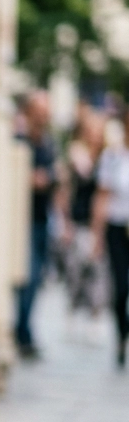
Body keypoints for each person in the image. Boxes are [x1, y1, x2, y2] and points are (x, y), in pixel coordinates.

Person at [14, 90, 57, 358]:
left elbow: (55, 177)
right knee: (26, 278)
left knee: (37, 277)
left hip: (43, 218)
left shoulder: (48, 144)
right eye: (39, 112)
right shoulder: (19, 141)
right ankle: (22, 332)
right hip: (23, 220)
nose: (43, 117)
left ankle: (26, 329)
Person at [62, 102, 106, 317]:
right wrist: (66, 223)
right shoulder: (77, 154)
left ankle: (95, 314)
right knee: (76, 271)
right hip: (79, 220)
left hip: (99, 223)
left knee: (98, 273)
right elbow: (67, 189)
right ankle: (72, 310)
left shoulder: (107, 158)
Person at [93, 103, 129, 367]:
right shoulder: (113, 157)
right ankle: (121, 337)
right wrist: (97, 235)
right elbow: (102, 197)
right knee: (121, 289)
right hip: (118, 229)